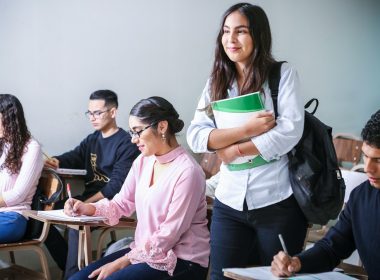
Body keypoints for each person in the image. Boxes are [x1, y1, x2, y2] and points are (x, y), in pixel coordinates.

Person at [187, 3, 308, 279]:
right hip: (229, 201)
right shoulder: (216, 81)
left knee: (276, 276)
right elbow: (196, 135)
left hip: (276, 201)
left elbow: (289, 131)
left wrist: (234, 150)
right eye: (226, 31)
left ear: (258, 36)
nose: (231, 39)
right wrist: (246, 130)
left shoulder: (282, 75)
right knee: (220, 276)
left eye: (241, 31)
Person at [66, 96, 210, 280]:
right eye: (131, 132)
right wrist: (88, 208)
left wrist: (122, 261)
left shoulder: (188, 172)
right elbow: (122, 203)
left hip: (182, 260)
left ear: (162, 127)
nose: (134, 140)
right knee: (77, 279)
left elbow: (169, 234)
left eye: (137, 131)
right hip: (144, 252)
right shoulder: (143, 161)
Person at [271, 109, 380, 279]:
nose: (368, 168)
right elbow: (332, 247)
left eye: (378, 160)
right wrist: (298, 262)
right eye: (365, 156)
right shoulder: (361, 197)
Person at [44, 89, 140, 278]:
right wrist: (56, 160)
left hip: (111, 203)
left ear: (113, 112)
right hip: (88, 199)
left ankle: (71, 275)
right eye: (90, 113)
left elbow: (115, 187)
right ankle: (69, 266)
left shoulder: (126, 143)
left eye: (97, 113)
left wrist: (88, 204)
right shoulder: (92, 139)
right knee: (45, 215)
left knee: (76, 224)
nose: (92, 118)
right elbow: (75, 156)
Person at [0, 94, 43, 243]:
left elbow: (17, 195)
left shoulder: (32, 147)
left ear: (10, 119)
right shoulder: (3, 145)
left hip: (12, 217)